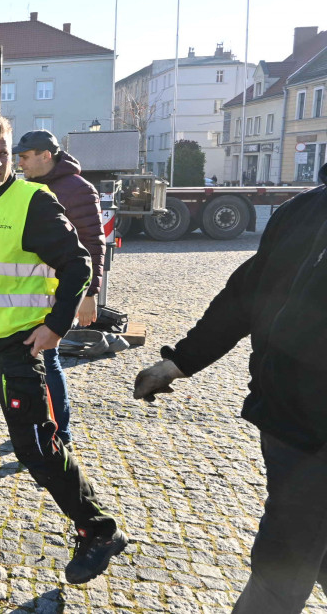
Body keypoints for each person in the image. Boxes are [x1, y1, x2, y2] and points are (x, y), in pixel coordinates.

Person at [0, 114, 127, 585]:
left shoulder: (33, 201)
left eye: (3, 154)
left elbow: (78, 264)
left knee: (36, 448)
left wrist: (56, 326)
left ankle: (100, 531)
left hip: (18, 346)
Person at [134, 161, 327, 613]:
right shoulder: (303, 209)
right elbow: (245, 295)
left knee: (281, 568)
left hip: (317, 438)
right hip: (284, 422)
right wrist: (179, 362)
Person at [15, 130, 104, 448]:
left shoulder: (78, 189)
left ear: (46, 156)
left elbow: (93, 244)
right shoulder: (27, 187)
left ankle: (59, 433)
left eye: (25, 157)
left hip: (56, 294)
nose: (20, 163)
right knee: (31, 361)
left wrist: (89, 294)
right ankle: (36, 425)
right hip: (29, 292)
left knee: (48, 361)